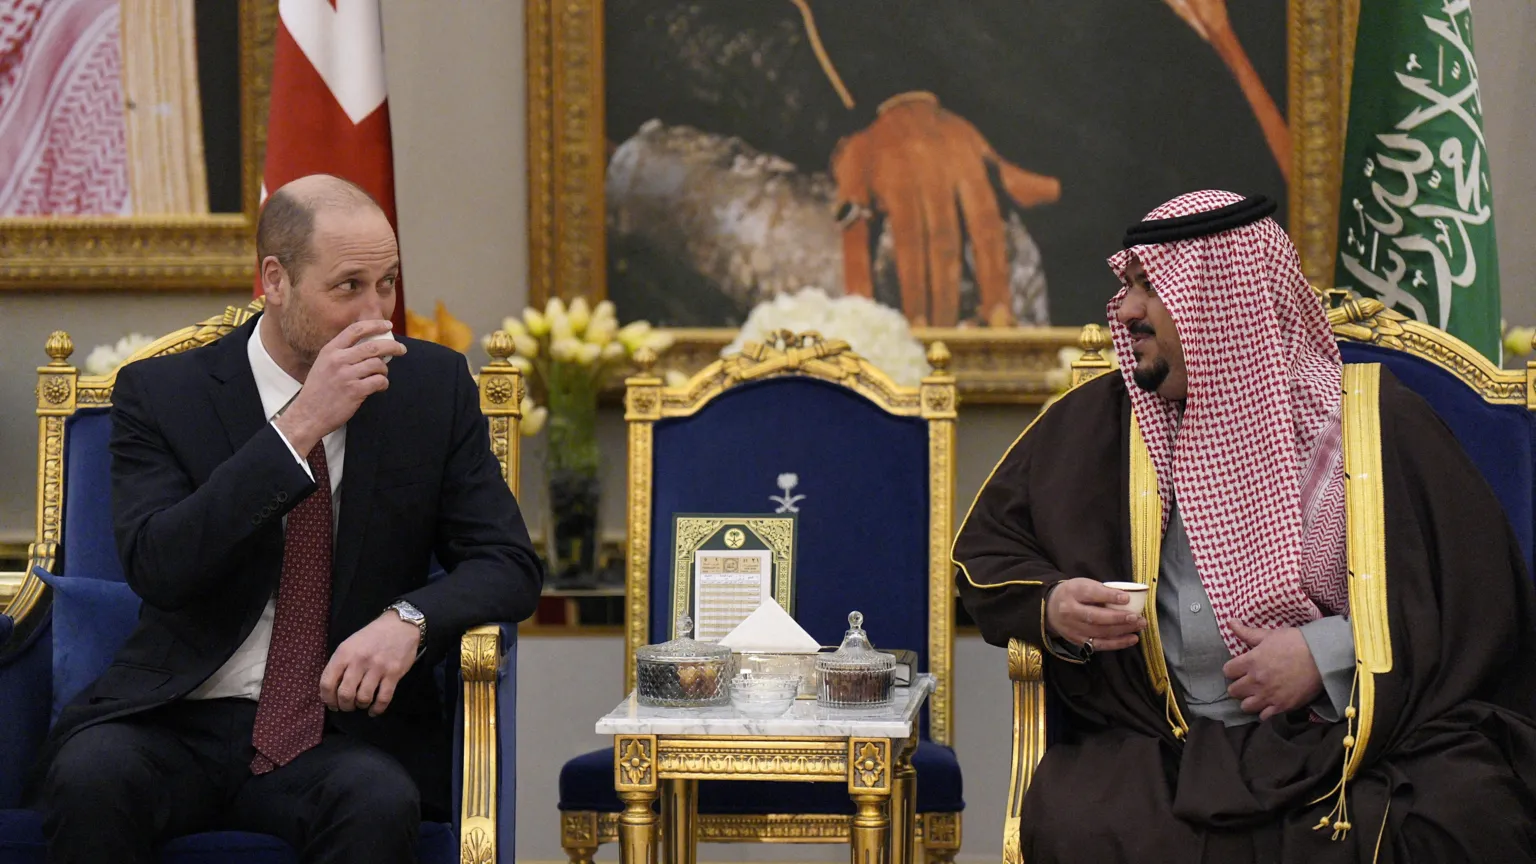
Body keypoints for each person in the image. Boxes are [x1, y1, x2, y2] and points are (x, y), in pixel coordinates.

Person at [954, 190, 1536, 862]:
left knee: (1464, 815)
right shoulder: (1096, 425)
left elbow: (1475, 606)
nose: (1128, 310)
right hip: (1169, 743)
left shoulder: (1376, 424)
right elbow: (984, 557)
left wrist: (1327, 655)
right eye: (1129, 287)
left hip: (1354, 739)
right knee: (1079, 819)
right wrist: (1053, 604)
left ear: (1221, 303)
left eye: (1151, 288)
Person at [29, 174, 544, 863]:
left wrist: (409, 621)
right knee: (92, 778)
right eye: (348, 287)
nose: (376, 314)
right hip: (173, 719)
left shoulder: (430, 388)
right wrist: (299, 427)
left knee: (377, 800)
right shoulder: (162, 394)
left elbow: (508, 564)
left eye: (387, 283)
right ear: (275, 281)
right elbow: (160, 564)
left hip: (337, 735)